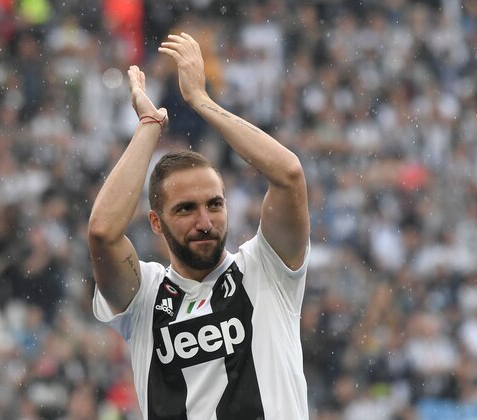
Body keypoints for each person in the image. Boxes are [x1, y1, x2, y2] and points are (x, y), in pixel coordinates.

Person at [88, 32, 311, 420]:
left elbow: (289, 174)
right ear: (155, 222)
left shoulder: (266, 270)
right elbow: (103, 232)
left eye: (215, 204)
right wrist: (148, 125)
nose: (205, 222)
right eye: (186, 209)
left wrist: (201, 100)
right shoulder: (145, 299)